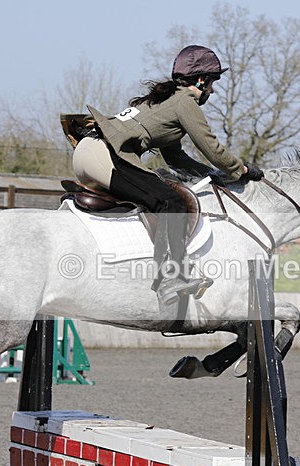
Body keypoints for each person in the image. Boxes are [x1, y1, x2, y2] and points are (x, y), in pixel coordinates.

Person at [70, 45, 264, 305]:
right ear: (201, 80)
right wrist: (239, 170)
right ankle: (170, 277)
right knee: (171, 202)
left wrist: (211, 174)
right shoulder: (185, 102)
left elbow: (175, 157)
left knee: (161, 194)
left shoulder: (167, 100)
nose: (213, 90)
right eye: (213, 83)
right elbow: (212, 147)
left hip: (88, 151)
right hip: (104, 155)